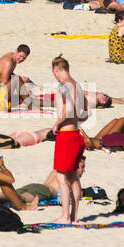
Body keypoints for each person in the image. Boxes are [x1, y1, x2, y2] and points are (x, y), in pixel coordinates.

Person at [50, 55, 86, 223]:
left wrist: (58, 123)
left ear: (56, 70)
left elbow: (69, 108)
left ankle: (65, 216)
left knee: (61, 177)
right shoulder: (77, 86)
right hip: (77, 133)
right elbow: (86, 113)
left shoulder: (63, 86)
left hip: (66, 135)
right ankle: (74, 216)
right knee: (73, 177)